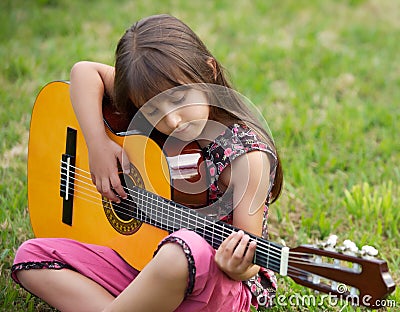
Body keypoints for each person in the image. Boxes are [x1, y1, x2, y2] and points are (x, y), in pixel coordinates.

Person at [11, 14, 283, 312]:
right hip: (144, 264)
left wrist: (236, 265)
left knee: (183, 249)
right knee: (31, 258)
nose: (172, 119)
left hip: (219, 288)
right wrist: (98, 145)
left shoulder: (246, 158)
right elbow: (84, 72)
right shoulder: (146, 89)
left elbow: (250, 263)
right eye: (152, 110)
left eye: (179, 98)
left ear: (209, 70)